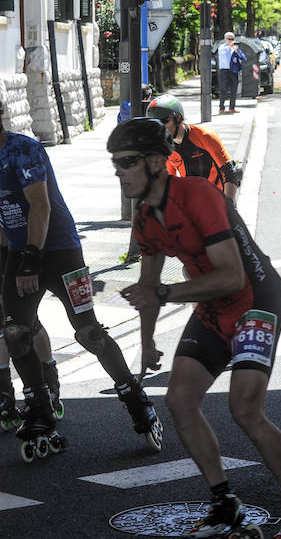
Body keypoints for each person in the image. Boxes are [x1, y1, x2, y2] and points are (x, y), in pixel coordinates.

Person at [110, 118, 281, 539]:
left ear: (156, 162)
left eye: (127, 162)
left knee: (244, 408)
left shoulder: (198, 195)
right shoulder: (145, 218)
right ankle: (225, 504)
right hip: (214, 306)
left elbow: (230, 276)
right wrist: (147, 341)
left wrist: (165, 293)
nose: (119, 171)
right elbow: (148, 285)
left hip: (256, 300)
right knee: (178, 399)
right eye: (116, 163)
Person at [0, 106, 161, 461]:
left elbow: (39, 207)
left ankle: (136, 399)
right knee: (15, 331)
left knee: (88, 331)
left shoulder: (22, 150)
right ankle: (40, 408)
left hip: (58, 251)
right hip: (18, 252)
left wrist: (30, 258)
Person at [146, 95, 242, 201]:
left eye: (164, 121)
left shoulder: (205, 136)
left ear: (178, 118)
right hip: (194, 201)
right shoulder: (166, 148)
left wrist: (228, 208)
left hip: (218, 198)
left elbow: (231, 172)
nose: (161, 128)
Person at [217, 32, 245, 115]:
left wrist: (236, 51)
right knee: (224, 90)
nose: (231, 41)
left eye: (232, 39)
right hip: (224, 71)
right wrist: (230, 47)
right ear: (225, 39)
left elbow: (240, 58)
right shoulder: (222, 47)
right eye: (229, 39)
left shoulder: (234, 48)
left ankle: (232, 107)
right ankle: (221, 108)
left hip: (233, 70)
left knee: (234, 89)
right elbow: (222, 52)